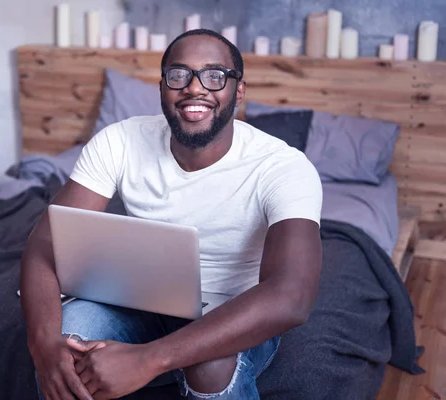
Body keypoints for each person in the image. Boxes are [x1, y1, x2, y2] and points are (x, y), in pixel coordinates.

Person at [20, 28, 323, 400]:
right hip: (138, 297)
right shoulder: (120, 141)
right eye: (179, 74)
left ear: (238, 91)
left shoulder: (284, 167)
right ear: (162, 87)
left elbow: (291, 296)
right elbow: (45, 244)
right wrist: (44, 345)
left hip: (231, 308)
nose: (195, 88)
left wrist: (149, 360)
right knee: (69, 343)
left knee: (211, 365)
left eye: (214, 76)